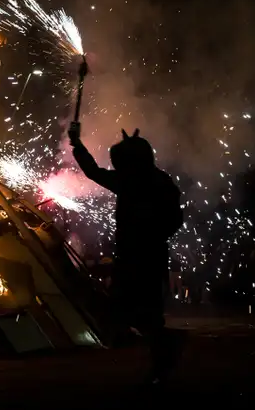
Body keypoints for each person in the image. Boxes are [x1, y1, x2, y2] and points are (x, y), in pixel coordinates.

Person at [67, 122, 184, 384]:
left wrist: (77, 144)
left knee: (136, 309)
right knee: (141, 310)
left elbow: (93, 172)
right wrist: (157, 237)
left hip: (138, 256)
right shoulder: (159, 180)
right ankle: (161, 353)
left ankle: (165, 350)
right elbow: (176, 219)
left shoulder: (132, 181)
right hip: (148, 254)